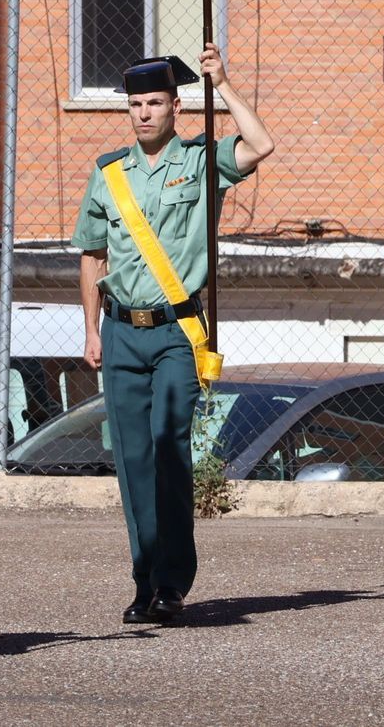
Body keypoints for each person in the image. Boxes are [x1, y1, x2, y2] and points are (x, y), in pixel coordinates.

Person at [72, 45, 273, 627]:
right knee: (132, 460)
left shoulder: (203, 160)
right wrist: (89, 330)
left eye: (154, 103)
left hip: (177, 333)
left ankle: (171, 582)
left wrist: (226, 84)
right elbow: (90, 255)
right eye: (134, 104)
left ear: (176, 106)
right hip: (121, 332)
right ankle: (144, 579)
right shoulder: (109, 173)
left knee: (168, 450)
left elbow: (261, 145)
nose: (143, 114)